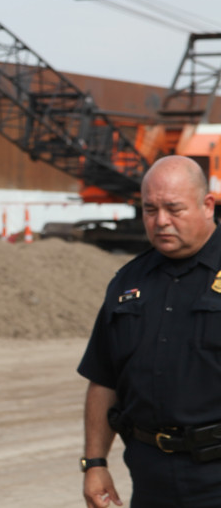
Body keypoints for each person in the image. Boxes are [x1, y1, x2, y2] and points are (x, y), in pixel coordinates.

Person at [78, 155, 221, 508]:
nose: (161, 221)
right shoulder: (128, 282)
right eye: (150, 210)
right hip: (151, 480)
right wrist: (94, 463)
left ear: (207, 205)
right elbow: (104, 378)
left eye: (174, 209)